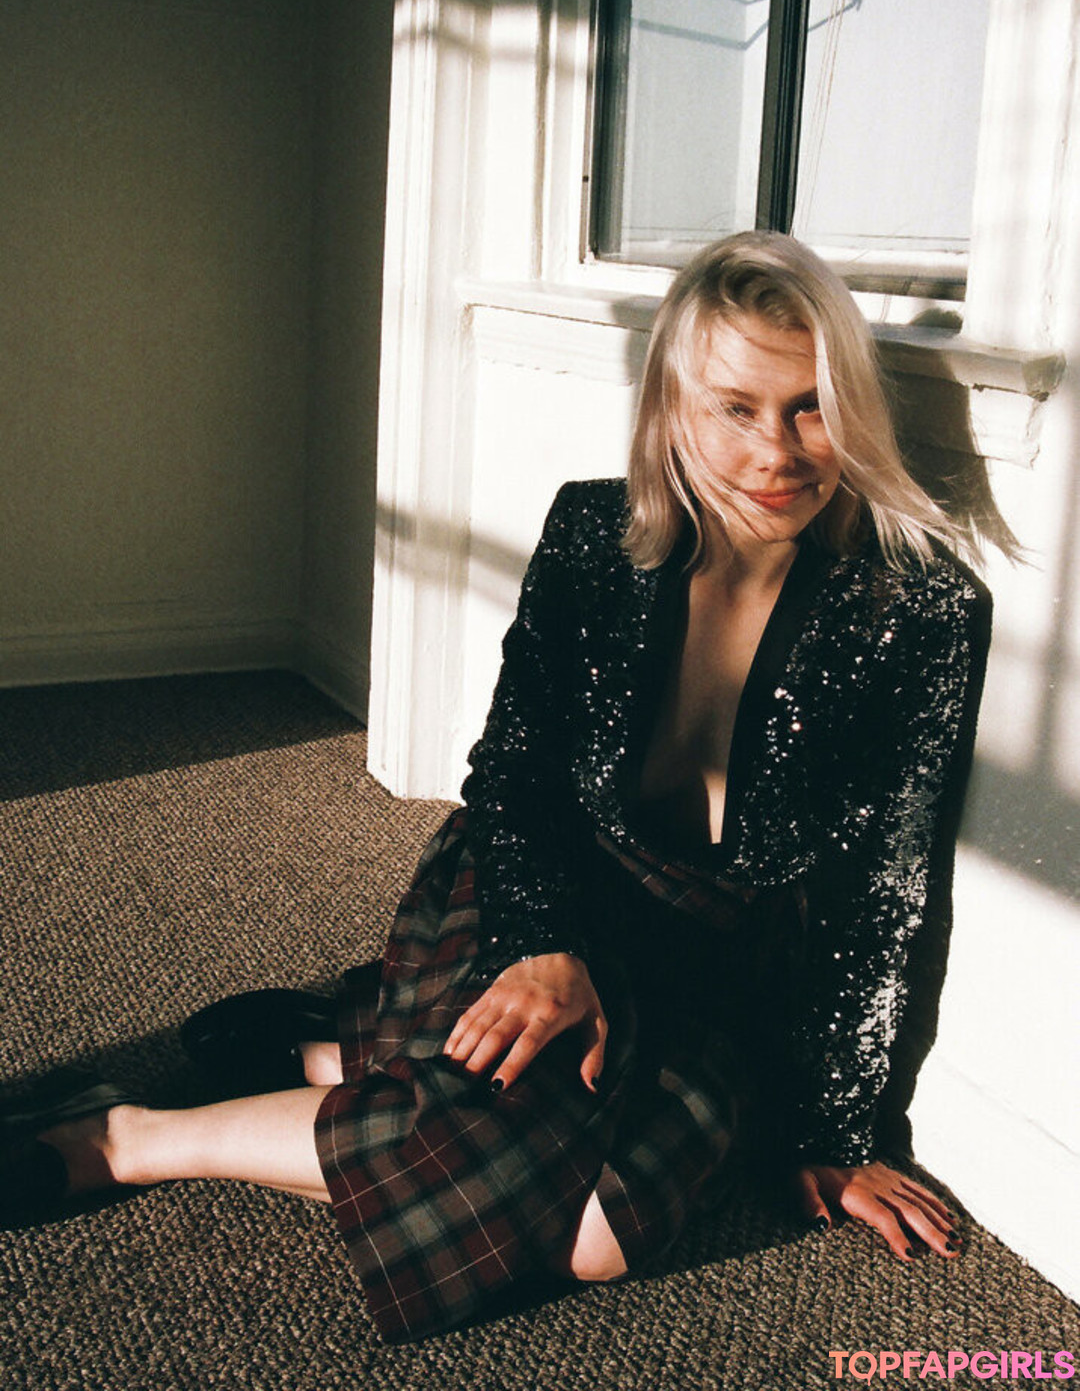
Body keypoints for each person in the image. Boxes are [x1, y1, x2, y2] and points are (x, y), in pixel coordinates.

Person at [1, 232, 991, 1344]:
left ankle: (350, 1052)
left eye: (812, 407)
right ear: (673, 406)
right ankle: (129, 1138)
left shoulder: (919, 614)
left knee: (599, 1236)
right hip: (538, 884)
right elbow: (514, 771)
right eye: (735, 407)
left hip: (705, 969)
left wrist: (835, 1131)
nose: (776, 451)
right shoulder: (591, 534)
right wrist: (542, 946)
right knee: (519, 1143)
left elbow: (882, 896)